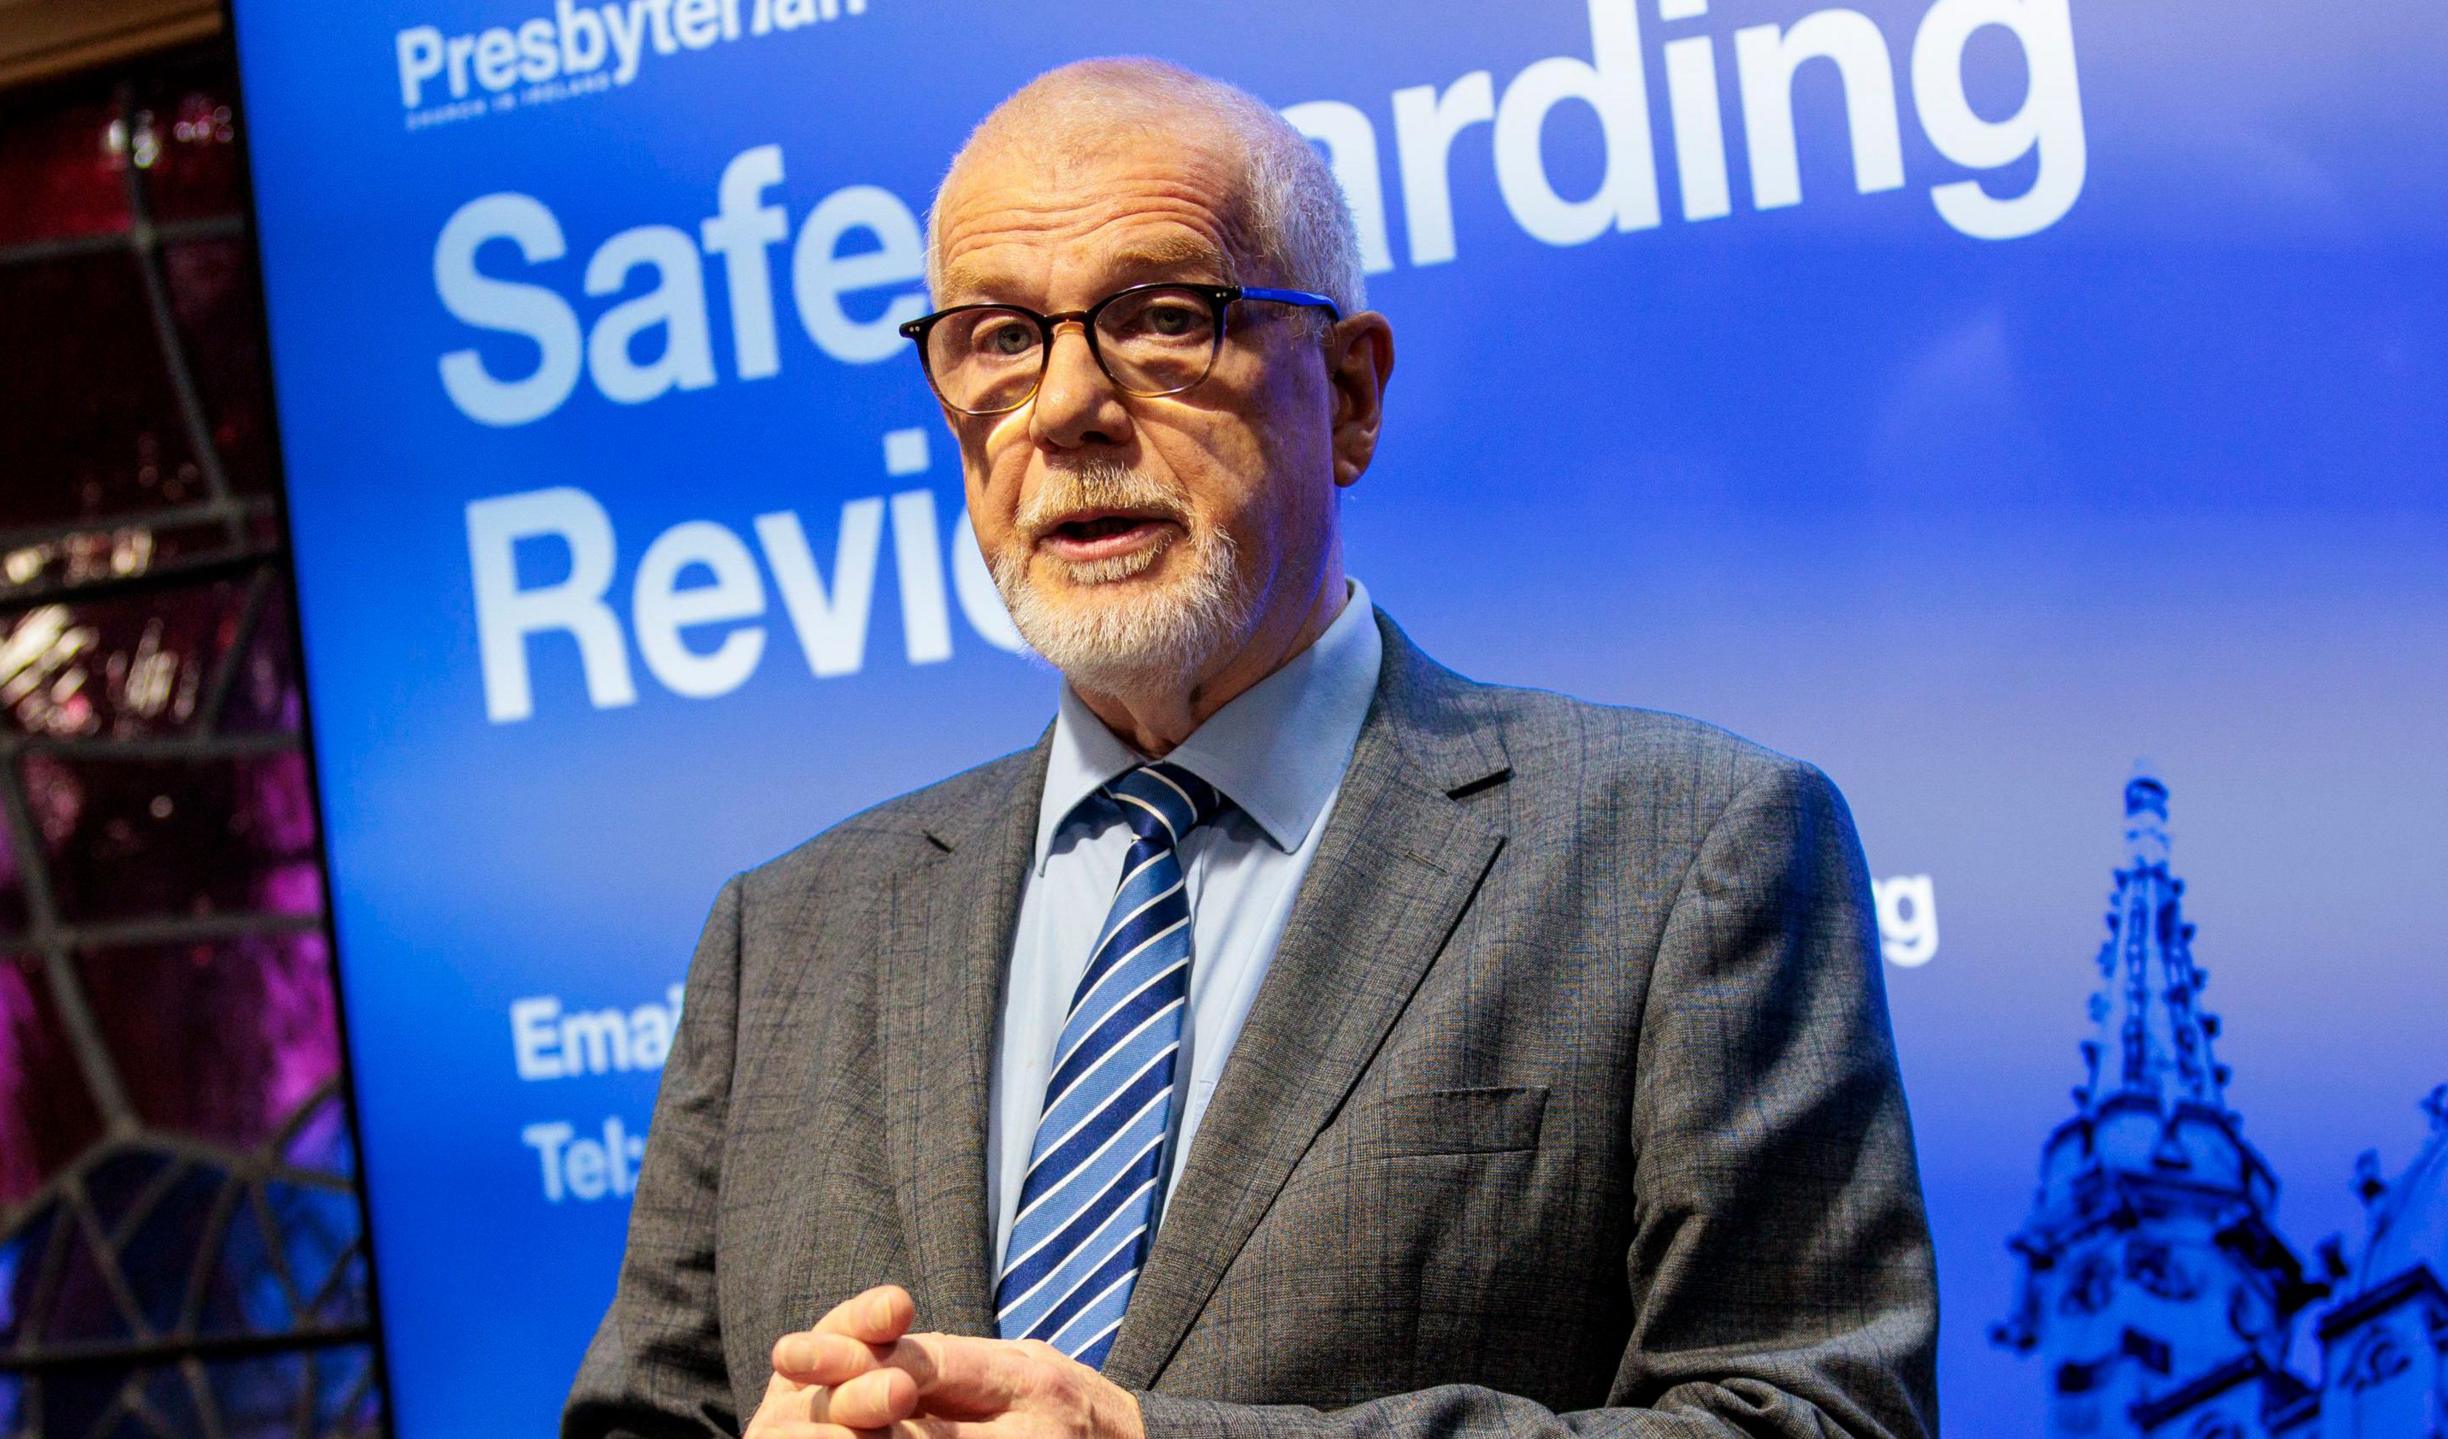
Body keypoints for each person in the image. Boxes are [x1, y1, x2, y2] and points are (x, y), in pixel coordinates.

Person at [562, 56, 1936, 1439]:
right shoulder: (785, 936)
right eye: (997, 338)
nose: (1066, 407)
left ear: (1349, 396)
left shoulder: (1689, 848)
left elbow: (1818, 1418)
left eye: (1165, 318)